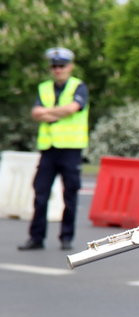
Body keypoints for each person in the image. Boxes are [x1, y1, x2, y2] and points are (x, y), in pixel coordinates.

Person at [18, 47, 89, 251]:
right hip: (48, 149)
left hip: (71, 149)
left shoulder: (78, 86)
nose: (58, 69)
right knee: (40, 194)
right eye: (54, 66)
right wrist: (59, 113)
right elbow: (36, 113)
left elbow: (72, 109)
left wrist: (48, 113)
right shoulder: (44, 88)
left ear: (70, 66)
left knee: (70, 195)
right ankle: (36, 238)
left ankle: (66, 237)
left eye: (62, 66)